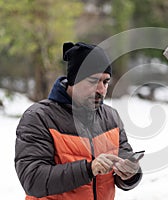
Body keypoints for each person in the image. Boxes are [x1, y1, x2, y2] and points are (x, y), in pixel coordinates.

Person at [15, 42, 143, 200]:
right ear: (73, 80)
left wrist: (130, 174)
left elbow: (124, 166)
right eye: (93, 81)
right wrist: (89, 169)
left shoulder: (111, 117)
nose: (101, 90)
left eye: (105, 82)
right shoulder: (39, 117)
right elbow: (32, 180)